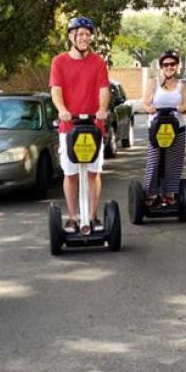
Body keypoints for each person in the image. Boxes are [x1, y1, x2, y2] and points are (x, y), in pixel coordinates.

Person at [49, 16, 110, 233]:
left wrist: (102, 110)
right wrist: (62, 110)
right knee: (71, 174)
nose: (85, 38)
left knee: (94, 173)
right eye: (80, 34)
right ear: (71, 36)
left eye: (87, 34)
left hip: (94, 127)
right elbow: (56, 90)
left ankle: (93, 217)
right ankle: (73, 218)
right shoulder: (59, 62)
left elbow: (104, 90)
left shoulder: (98, 63)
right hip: (69, 128)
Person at [141, 50, 186, 206]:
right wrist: (150, 108)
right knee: (154, 161)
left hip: (176, 129)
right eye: (166, 64)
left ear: (177, 66)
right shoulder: (153, 82)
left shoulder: (182, 85)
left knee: (174, 162)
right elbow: (145, 103)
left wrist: (180, 108)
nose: (169, 67)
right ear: (161, 66)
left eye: (172, 64)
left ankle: (170, 194)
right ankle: (150, 193)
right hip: (157, 129)